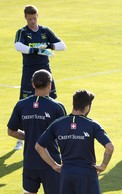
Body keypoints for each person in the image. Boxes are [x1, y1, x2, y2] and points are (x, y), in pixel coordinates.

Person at [7, 69, 67, 194]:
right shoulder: (57, 107)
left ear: (32, 84)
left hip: (30, 163)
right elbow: (63, 135)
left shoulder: (21, 105)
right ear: (50, 84)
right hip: (52, 164)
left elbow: (11, 131)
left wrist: (29, 137)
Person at [13, 5, 66, 151]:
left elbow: (62, 45)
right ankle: (21, 139)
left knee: (51, 101)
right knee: (24, 104)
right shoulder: (22, 32)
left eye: (34, 18)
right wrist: (36, 50)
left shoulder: (45, 31)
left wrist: (48, 46)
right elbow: (18, 46)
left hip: (45, 72)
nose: (32, 21)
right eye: (29, 19)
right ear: (25, 17)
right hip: (29, 72)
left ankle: (53, 135)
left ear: (38, 16)